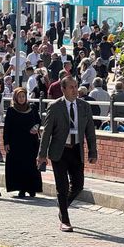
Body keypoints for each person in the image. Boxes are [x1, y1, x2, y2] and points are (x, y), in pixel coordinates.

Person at [37, 76, 97, 232]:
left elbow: (90, 131)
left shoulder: (84, 106)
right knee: (62, 187)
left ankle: (62, 205)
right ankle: (65, 219)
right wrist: (42, 154)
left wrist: (92, 151)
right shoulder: (55, 106)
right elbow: (47, 132)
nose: (75, 90)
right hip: (60, 151)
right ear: (63, 89)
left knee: (78, 185)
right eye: (71, 87)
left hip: (77, 149)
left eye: (76, 86)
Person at [3, 88, 43, 198]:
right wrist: (6, 142)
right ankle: (21, 189)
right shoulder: (11, 110)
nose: (21, 99)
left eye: (23, 96)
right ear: (15, 98)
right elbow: (7, 127)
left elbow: (39, 121)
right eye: (19, 97)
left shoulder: (32, 108)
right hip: (16, 143)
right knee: (18, 166)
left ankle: (32, 188)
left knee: (31, 166)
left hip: (30, 142)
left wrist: (36, 127)